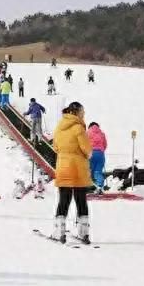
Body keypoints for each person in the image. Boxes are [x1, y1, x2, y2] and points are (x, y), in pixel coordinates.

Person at [51, 101, 93, 244]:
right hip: (78, 168)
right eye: (83, 112)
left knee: (64, 199)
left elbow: (55, 147)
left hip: (63, 166)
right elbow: (87, 149)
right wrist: (86, 155)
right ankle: (84, 232)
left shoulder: (59, 127)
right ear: (77, 112)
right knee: (81, 200)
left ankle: (59, 230)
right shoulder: (78, 128)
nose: (84, 114)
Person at [87, 122, 107, 193]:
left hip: (91, 153)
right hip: (100, 154)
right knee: (98, 172)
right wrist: (100, 151)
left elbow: (84, 144)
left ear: (89, 127)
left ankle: (90, 187)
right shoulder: (102, 134)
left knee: (89, 170)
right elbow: (105, 145)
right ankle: (99, 186)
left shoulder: (87, 133)